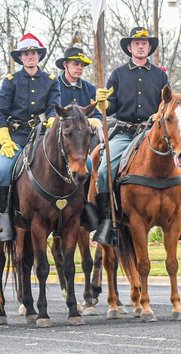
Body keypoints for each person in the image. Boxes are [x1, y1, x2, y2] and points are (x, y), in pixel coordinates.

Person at [93, 26, 181, 245]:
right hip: (126, 133)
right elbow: (109, 109)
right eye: (137, 43)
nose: (141, 46)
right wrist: (103, 102)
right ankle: (107, 221)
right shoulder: (118, 74)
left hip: (154, 134)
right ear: (129, 47)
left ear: (149, 48)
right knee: (103, 171)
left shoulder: (160, 75)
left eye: (145, 44)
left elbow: (167, 105)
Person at [0, 32, 60, 242]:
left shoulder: (50, 80)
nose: (30, 57)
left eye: (34, 53)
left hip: (41, 136)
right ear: (20, 58)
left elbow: (53, 107)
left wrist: (50, 121)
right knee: (1, 170)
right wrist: (5, 139)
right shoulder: (11, 81)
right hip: (16, 137)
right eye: (26, 54)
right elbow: (0, 113)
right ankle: (3, 217)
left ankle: (72, 214)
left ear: (39, 56)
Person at [54, 46, 103, 232]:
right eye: (76, 64)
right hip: (57, 142)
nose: (80, 68)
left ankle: (86, 205)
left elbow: (97, 116)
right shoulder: (54, 86)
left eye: (82, 65)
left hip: (83, 143)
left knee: (92, 165)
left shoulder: (89, 89)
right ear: (65, 64)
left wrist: (90, 121)